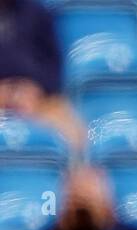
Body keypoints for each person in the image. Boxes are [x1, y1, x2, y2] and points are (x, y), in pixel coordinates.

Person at [0, 0, 84, 150]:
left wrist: (33, 89)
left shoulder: (36, 13)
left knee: (71, 129)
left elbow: (54, 68)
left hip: (36, 97)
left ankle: (72, 171)